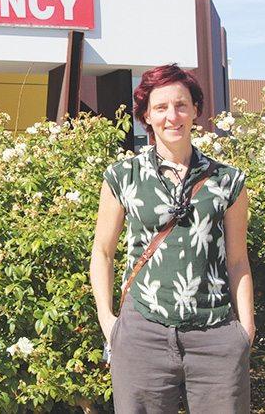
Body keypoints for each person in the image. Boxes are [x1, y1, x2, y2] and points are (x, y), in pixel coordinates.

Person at [90, 64, 255, 413]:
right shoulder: (123, 176)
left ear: (196, 110)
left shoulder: (229, 181)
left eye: (181, 105)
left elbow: (238, 260)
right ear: (146, 116)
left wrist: (245, 330)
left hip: (216, 333)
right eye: (161, 107)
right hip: (142, 331)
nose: (172, 116)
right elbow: (103, 252)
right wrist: (109, 322)